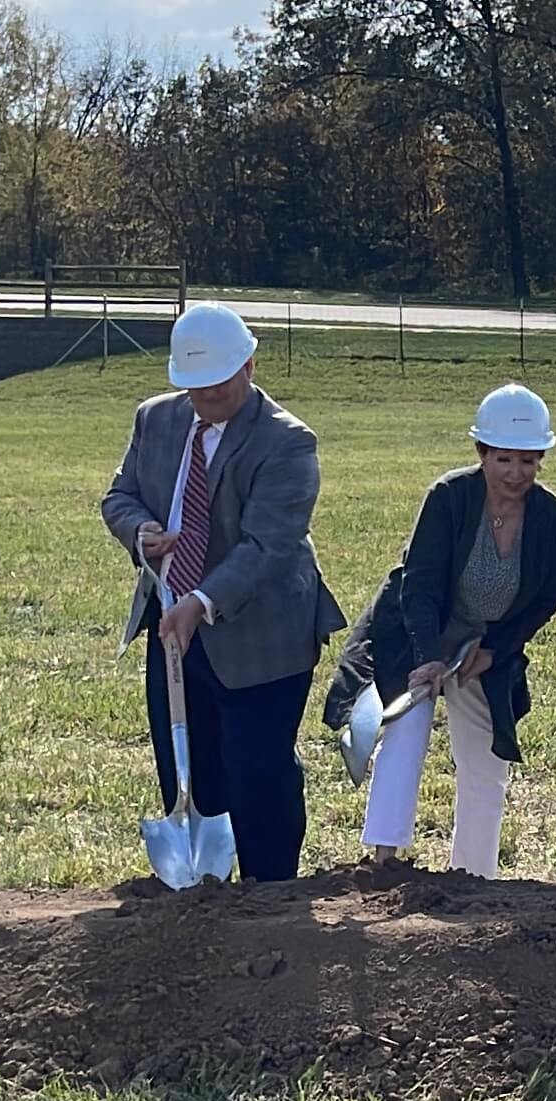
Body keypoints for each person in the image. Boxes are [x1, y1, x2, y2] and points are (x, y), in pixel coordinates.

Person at [101, 301, 346, 882]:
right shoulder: (154, 420)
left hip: (265, 637)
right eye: (194, 387)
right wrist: (140, 533)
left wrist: (202, 602)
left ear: (250, 366)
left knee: (259, 776)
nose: (206, 397)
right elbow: (119, 496)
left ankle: (272, 897)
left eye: (218, 384)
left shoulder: (288, 443)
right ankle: (202, 898)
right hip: (171, 631)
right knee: (189, 770)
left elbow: (268, 545)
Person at [324, 384, 556, 876]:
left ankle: (474, 875)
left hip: (485, 645)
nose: (515, 473)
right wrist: (428, 657)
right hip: (416, 630)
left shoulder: (555, 519)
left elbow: (549, 597)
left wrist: (495, 651)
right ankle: (384, 860)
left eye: (528, 461)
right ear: (482, 453)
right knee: (406, 727)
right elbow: (419, 584)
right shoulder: (448, 498)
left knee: (486, 759)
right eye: (503, 459)